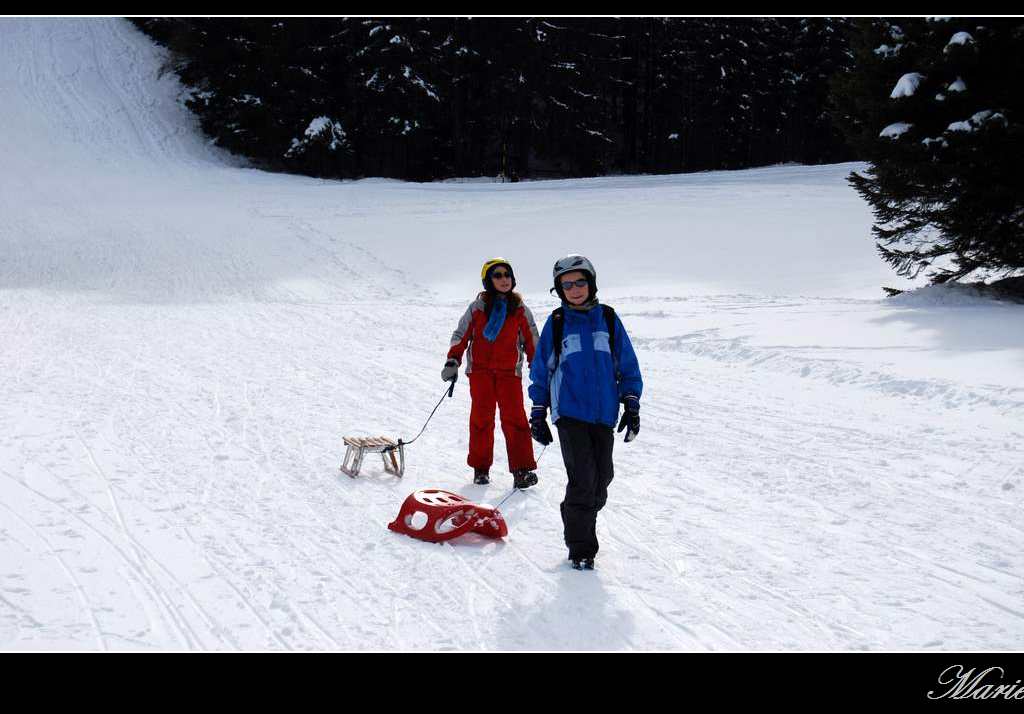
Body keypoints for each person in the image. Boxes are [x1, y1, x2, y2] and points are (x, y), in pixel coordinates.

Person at [528, 255, 643, 570]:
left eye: (580, 282)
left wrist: (631, 402)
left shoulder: (607, 318)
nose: (574, 289)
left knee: (602, 478)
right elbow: (542, 370)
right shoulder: (557, 323)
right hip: (570, 413)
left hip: (603, 414)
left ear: (591, 283)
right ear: (559, 289)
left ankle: (577, 513)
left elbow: (626, 363)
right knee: (582, 480)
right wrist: (538, 411)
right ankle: (581, 549)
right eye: (567, 284)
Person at [444, 258, 541, 488]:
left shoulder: (519, 309)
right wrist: (452, 360)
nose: (504, 279)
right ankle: (481, 469)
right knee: (481, 420)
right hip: (481, 373)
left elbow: (532, 339)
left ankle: (522, 470)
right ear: (488, 280)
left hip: (509, 374)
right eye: (497, 275)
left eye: (507, 275)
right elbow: (461, 334)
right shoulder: (477, 308)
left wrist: (537, 367)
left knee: (515, 420)